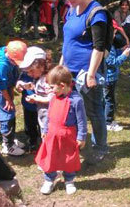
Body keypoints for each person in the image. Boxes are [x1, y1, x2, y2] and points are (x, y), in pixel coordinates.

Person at [60, 0, 109, 163]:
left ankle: (100, 147)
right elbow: (68, 40)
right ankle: (77, 142)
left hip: (86, 72)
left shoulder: (96, 13)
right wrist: (61, 66)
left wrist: (92, 74)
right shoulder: (71, 10)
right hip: (69, 70)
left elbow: (99, 46)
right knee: (72, 108)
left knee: (94, 111)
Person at [34, 65, 87, 195]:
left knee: (68, 158)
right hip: (52, 134)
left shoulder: (76, 101)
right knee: (50, 157)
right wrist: (45, 130)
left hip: (68, 136)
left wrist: (81, 137)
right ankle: (49, 179)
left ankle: (69, 180)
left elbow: (82, 121)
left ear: (62, 85)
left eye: (52, 87)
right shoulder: (53, 98)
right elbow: (49, 116)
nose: (50, 90)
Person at [0, 40, 27, 156]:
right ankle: (8, 145)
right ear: (11, 57)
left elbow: (9, 79)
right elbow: (1, 86)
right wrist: (8, 100)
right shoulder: (0, 66)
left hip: (6, 87)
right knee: (6, 114)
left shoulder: (8, 53)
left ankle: (11, 139)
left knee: (11, 112)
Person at [16, 46, 52, 151]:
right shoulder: (28, 74)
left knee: (45, 130)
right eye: (27, 71)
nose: (29, 74)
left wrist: (36, 98)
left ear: (41, 66)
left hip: (45, 111)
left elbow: (52, 98)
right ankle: (33, 140)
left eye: (31, 71)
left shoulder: (48, 79)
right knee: (31, 124)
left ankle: (47, 149)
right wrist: (22, 85)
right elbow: (21, 82)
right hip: (31, 107)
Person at [104, 28, 130, 132]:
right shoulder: (108, 47)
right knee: (109, 101)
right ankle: (108, 123)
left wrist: (121, 50)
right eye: (113, 33)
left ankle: (109, 120)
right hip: (109, 78)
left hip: (111, 78)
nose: (115, 36)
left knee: (110, 100)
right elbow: (113, 63)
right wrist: (124, 56)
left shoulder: (111, 45)